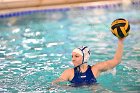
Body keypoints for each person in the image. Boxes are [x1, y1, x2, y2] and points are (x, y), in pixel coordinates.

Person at [52, 38, 125, 86]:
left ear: (85, 58)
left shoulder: (95, 69)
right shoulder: (68, 72)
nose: (73, 59)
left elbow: (116, 61)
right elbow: (55, 84)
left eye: (76, 56)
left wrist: (120, 41)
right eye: (72, 56)